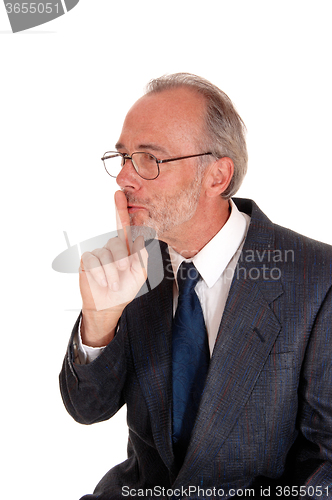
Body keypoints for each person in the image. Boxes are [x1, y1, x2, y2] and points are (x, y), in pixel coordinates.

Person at [60, 73, 332, 499]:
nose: (124, 178)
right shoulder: (135, 263)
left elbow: (327, 459)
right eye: (123, 157)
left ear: (217, 176)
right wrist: (100, 321)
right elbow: (87, 409)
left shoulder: (318, 278)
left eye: (149, 159)